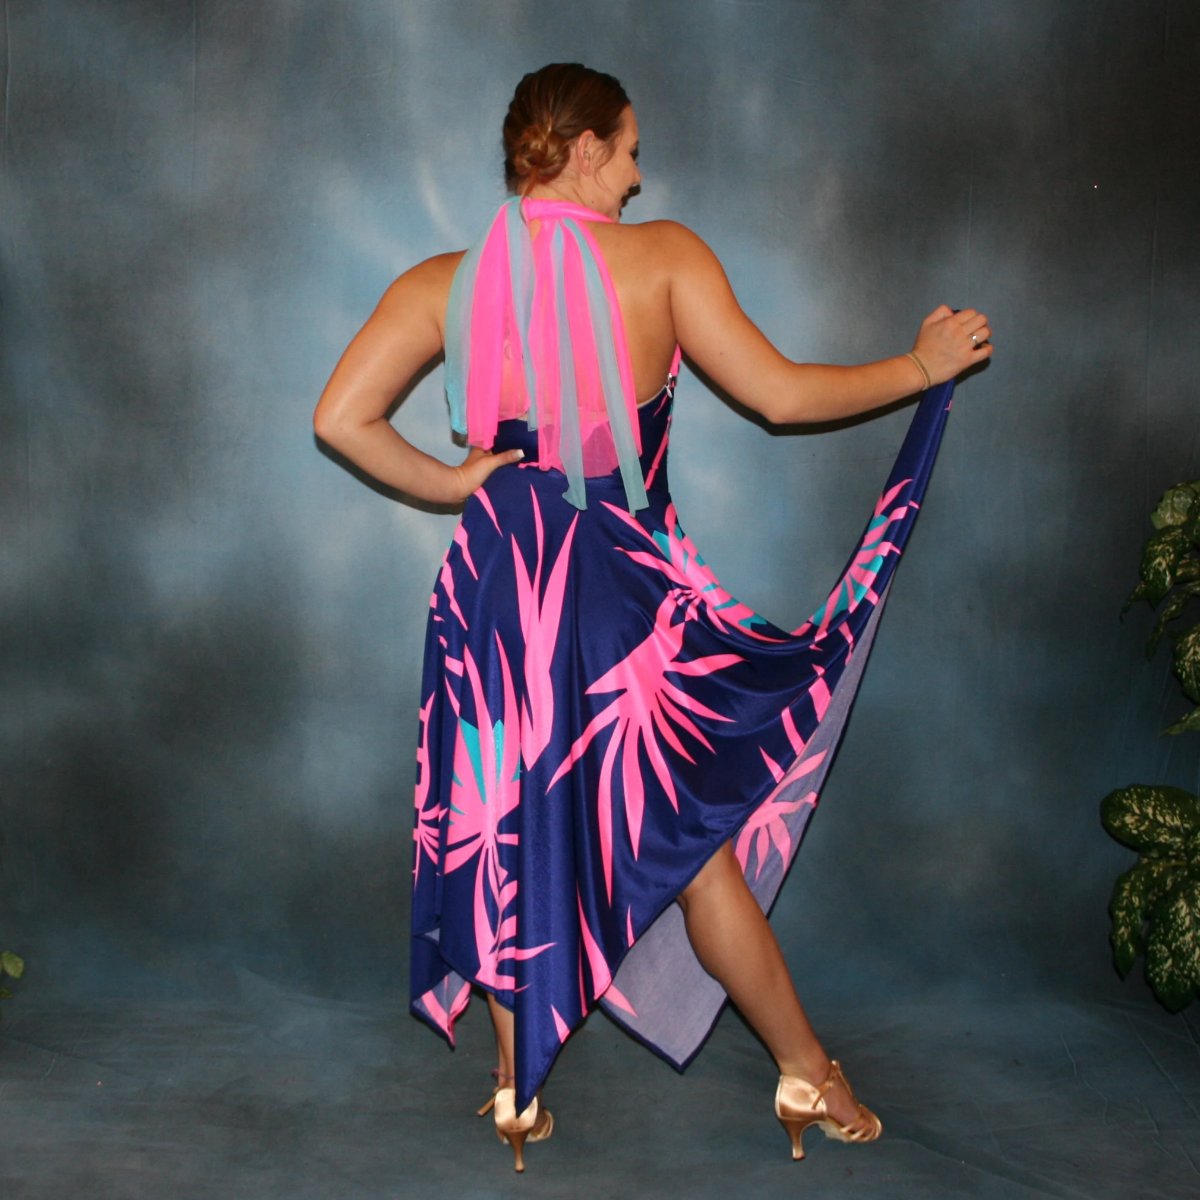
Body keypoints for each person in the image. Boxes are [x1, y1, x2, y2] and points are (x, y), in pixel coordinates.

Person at [314, 62, 991, 1172]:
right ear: (583, 151)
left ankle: (512, 1089)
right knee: (690, 843)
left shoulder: (445, 280)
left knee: (511, 827)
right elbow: (778, 395)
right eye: (628, 151)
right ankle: (804, 1072)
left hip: (493, 589)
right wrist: (920, 366)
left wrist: (454, 486)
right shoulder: (663, 258)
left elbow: (341, 416)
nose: (638, 175)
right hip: (616, 594)